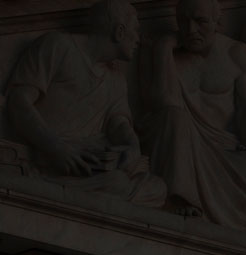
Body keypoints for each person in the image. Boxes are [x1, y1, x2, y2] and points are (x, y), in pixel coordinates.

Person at [3, 0, 166, 205]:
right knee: (119, 185)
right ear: (120, 31)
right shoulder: (57, 46)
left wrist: (132, 146)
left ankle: (67, 191)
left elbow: (118, 123)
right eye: (136, 31)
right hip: (50, 156)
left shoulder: (116, 80)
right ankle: (50, 185)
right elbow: (18, 102)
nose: (138, 40)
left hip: (91, 166)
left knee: (157, 188)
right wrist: (56, 148)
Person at [143, 0, 246, 232]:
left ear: (216, 21)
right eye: (184, 22)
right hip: (181, 141)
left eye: (200, 21)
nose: (191, 30)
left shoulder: (236, 54)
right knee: (175, 118)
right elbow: (165, 103)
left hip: (224, 146)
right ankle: (180, 197)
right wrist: (163, 49)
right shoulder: (170, 53)